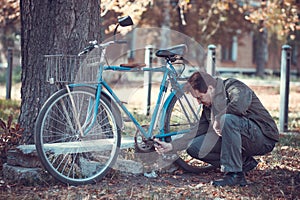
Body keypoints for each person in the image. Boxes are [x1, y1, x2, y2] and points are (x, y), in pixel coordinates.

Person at [154, 71, 279, 187]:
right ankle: (243, 162)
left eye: (199, 97)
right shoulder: (208, 105)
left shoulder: (233, 86)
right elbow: (198, 130)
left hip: (263, 138)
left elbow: (239, 106)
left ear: (210, 89)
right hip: (242, 138)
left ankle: (235, 175)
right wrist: (172, 146)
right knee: (194, 147)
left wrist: (218, 119)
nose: (198, 102)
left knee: (227, 119)